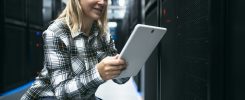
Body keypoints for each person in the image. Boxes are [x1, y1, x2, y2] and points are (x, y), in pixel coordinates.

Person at [21, 0, 129, 99]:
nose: (102, 2)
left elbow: (120, 79)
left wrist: (126, 65)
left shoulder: (103, 35)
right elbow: (61, 93)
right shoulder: (57, 31)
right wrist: (98, 73)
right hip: (47, 96)